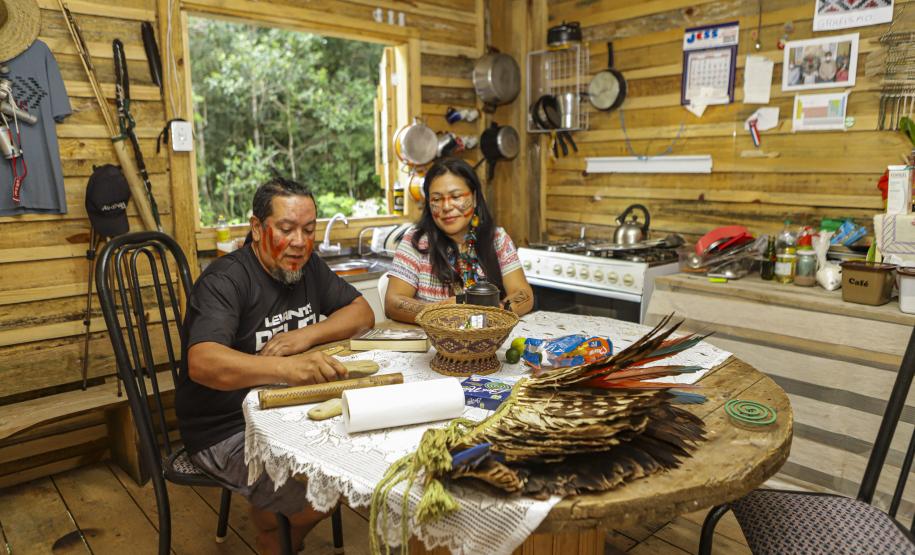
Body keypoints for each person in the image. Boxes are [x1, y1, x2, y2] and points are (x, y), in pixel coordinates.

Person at [175, 177, 375, 554]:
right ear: (256, 228)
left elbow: (362, 313)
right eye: (286, 229)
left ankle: (274, 518)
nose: (299, 241)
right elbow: (202, 362)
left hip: (288, 410)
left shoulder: (307, 265)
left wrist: (305, 337)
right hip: (224, 428)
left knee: (360, 457)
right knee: (324, 490)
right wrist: (290, 368)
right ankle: (276, 536)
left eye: (309, 229)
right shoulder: (226, 280)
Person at [385, 158, 534, 323]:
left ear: (475, 198)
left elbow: (524, 294)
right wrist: (442, 311)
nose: (447, 207)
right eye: (437, 199)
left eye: (456, 196)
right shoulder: (417, 241)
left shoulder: (497, 238)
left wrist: (495, 312)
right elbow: (393, 303)